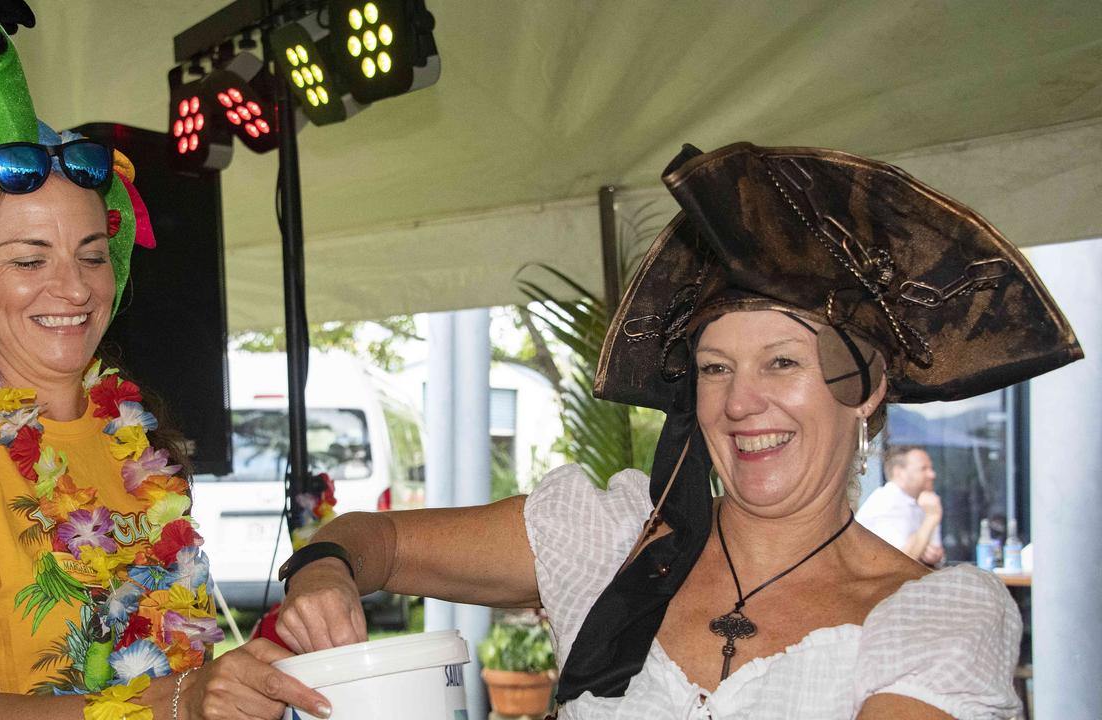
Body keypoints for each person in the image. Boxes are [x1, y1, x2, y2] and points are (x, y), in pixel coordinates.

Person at [275, 142, 1081, 718]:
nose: (739, 403)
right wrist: (323, 574)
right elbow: (367, 538)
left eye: (781, 364)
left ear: (864, 388)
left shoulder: (934, 617)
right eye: (715, 367)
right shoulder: (615, 537)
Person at [0, 3, 329, 719]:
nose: (73, 288)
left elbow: (167, 663)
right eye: (28, 258)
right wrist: (182, 702)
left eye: (91, 254)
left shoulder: (136, 429)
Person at [856, 446, 945, 565]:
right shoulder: (886, 501)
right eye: (923, 469)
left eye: (931, 468)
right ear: (899, 472)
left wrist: (936, 555)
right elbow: (901, 561)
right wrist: (931, 518)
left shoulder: (926, 500)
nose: (932, 474)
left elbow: (935, 551)